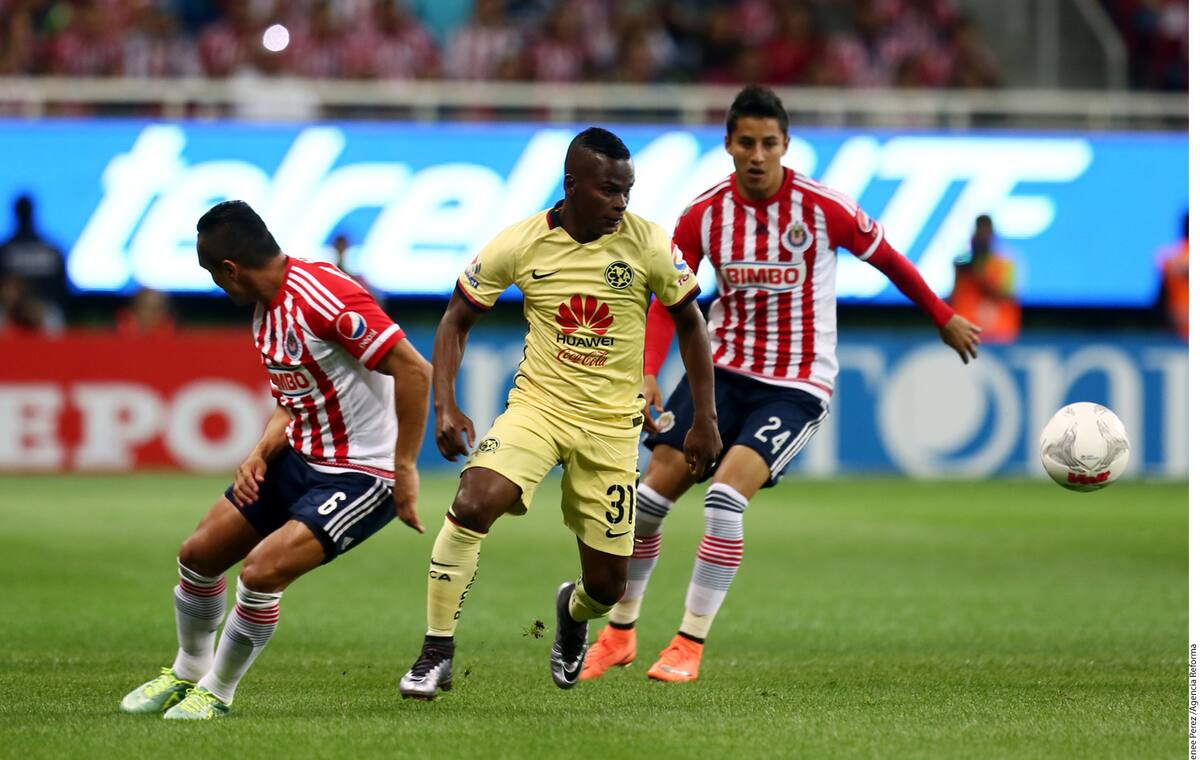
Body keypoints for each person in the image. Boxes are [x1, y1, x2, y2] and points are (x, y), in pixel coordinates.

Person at [581, 85, 981, 684]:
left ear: (786, 145)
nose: (759, 154)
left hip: (794, 384)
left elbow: (890, 258)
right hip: (719, 374)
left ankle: (688, 643)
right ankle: (621, 633)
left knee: (723, 498)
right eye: (747, 142)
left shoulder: (824, 208)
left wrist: (941, 314)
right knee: (646, 503)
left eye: (770, 143)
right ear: (729, 145)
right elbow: (667, 302)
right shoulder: (703, 214)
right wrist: (647, 373)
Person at [396, 127, 722, 698]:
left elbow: (692, 324)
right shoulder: (520, 242)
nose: (621, 203)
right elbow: (455, 318)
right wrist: (445, 402)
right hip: (538, 409)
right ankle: (435, 652)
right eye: (609, 191)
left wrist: (705, 419)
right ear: (572, 186)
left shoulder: (647, 243)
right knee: (474, 501)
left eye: (628, 190)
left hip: (612, 428)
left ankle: (572, 613)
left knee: (607, 587)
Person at [119, 200, 432, 720]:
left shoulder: (325, 298)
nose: (217, 288)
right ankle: (187, 670)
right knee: (197, 555)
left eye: (212, 276)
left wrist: (403, 468)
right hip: (301, 456)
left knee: (261, 573)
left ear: (230, 269)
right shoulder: (267, 312)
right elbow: (294, 401)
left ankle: (216, 692)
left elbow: (415, 371)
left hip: (361, 474)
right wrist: (259, 452)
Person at [949, 214, 1020, 344]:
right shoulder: (964, 260)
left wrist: (978, 272)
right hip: (966, 329)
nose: (982, 236)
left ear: (992, 236)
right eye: (979, 231)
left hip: (999, 331)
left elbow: (1006, 294)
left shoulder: (1004, 263)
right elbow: (954, 292)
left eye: (986, 232)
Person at [0, 194, 68, 327]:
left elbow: (62, 291)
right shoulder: (4, 251)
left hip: (44, 309)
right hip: (10, 310)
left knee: (53, 316)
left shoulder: (51, 250)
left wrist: (36, 306)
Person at [1156, 211, 1187, 339]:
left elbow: (1161, 299)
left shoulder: (1169, 257)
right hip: (1180, 327)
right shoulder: (1171, 258)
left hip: (1175, 326)